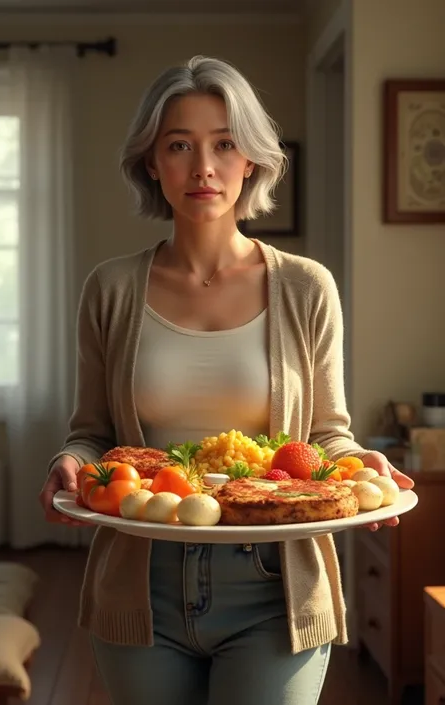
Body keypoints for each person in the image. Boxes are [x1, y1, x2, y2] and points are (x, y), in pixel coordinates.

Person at [40, 55, 414, 705]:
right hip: (140, 580)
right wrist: (71, 465)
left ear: (252, 162)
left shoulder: (306, 287)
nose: (203, 167)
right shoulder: (110, 289)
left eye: (225, 144)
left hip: (274, 586)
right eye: (179, 145)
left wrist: (363, 467)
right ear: (152, 163)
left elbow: (327, 435)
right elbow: (92, 434)